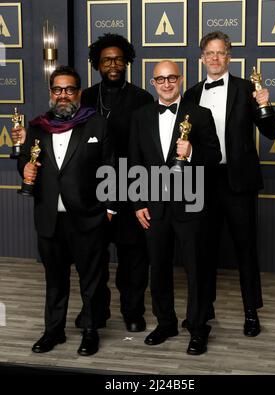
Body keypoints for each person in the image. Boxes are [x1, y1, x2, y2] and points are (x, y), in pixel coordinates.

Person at [184, 31, 275, 336]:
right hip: (202, 182)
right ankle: (204, 309)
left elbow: (271, 132)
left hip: (238, 181)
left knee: (245, 250)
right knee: (203, 250)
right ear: (202, 59)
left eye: (220, 53)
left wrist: (265, 106)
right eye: (209, 53)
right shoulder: (191, 94)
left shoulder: (246, 88)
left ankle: (251, 312)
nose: (214, 58)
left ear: (229, 56)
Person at [17, 66, 115, 356]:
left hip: (88, 216)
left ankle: (90, 330)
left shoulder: (97, 124)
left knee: (92, 280)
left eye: (69, 89)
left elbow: (109, 166)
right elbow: (26, 160)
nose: (63, 95)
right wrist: (25, 168)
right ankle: (53, 331)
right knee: (54, 279)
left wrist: (109, 208)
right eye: (58, 90)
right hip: (49, 219)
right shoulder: (36, 127)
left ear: (79, 92)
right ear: (51, 92)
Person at [129, 60, 221, 355]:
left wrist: (192, 151)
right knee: (158, 267)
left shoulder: (200, 114)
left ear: (180, 80)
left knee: (197, 268)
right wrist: (137, 202)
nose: (167, 84)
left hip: (191, 204)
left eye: (171, 78)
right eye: (160, 79)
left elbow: (214, 156)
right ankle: (165, 322)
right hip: (154, 204)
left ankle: (197, 327)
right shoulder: (140, 116)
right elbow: (134, 161)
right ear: (152, 83)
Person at [80, 34, 154, 332]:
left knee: (133, 255)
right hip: (92, 188)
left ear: (128, 62)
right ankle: (96, 311)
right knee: (93, 255)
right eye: (106, 60)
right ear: (97, 64)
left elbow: (149, 149)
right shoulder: (84, 98)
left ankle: (132, 310)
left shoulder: (142, 99)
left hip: (131, 184)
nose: (113, 65)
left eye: (119, 59)